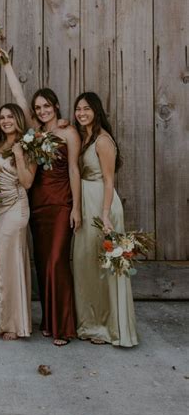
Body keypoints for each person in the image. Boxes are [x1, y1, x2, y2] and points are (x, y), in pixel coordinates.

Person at [0, 48, 81, 346]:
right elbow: (19, 98)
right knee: (44, 263)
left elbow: (73, 170)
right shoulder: (34, 134)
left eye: (47, 106)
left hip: (60, 204)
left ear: (56, 106)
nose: (42, 111)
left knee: (57, 260)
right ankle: (49, 321)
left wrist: (76, 208)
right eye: (38, 107)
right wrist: (6, 64)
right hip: (36, 203)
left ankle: (64, 328)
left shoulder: (69, 133)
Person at [73, 92, 138, 347]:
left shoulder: (102, 141)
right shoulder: (84, 137)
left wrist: (105, 214)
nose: (81, 113)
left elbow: (109, 180)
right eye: (78, 109)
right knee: (85, 264)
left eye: (86, 109)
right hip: (86, 202)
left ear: (96, 111)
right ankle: (91, 323)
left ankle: (108, 327)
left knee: (104, 268)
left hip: (101, 203)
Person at [0, 103, 33, 340]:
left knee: (9, 260)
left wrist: (19, 156)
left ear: (18, 119)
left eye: (10, 117)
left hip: (16, 205)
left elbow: (27, 182)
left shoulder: (27, 146)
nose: (6, 121)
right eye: (2, 116)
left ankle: (13, 323)